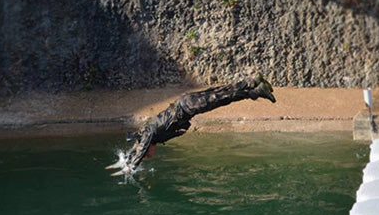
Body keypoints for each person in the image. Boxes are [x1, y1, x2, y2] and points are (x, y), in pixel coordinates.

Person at [107, 74, 276, 174]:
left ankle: (256, 91)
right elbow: (138, 147)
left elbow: (142, 147)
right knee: (220, 93)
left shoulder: (149, 134)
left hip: (187, 106)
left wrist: (132, 167)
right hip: (186, 104)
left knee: (224, 97)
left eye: (151, 153)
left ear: (149, 146)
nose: (153, 152)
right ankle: (252, 81)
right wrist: (124, 162)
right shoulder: (148, 135)